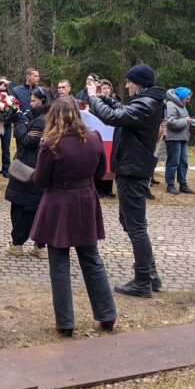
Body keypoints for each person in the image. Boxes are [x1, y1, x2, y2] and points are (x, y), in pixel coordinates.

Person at [31, 97, 117, 336]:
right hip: (86, 201)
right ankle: (107, 314)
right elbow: (101, 172)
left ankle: (66, 322)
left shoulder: (50, 145)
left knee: (59, 263)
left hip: (59, 203)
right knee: (92, 259)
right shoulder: (94, 138)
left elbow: (40, 180)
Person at [87, 64, 166, 297]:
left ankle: (143, 280)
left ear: (139, 83)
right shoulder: (147, 101)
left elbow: (113, 117)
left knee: (136, 226)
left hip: (133, 170)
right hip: (134, 168)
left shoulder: (146, 103)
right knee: (132, 223)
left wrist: (93, 99)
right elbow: (122, 111)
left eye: (130, 82)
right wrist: (106, 98)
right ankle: (150, 275)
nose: (127, 85)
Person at [5, 86, 53, 257]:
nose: (31, 104)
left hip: (29, 170)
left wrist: (19, 123)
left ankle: (18, 244)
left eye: (34, 101)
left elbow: (27, 140)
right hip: (32, 168)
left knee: (24, 209)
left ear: (44, 101)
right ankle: (39, 246)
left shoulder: (42, 120)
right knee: (33, 208)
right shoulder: (39, 117)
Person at [163, 86, 195, 195]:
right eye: (187, 98)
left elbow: (184, 120)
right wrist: (185, 120)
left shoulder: (182, 106)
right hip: (173, 138)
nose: (188, 100)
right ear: (181, 96)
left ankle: (183, 184)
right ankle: (170, 184)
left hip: (182, 138)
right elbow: (171, 122)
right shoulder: (170, 105)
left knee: (183, 162)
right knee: (174, 162)